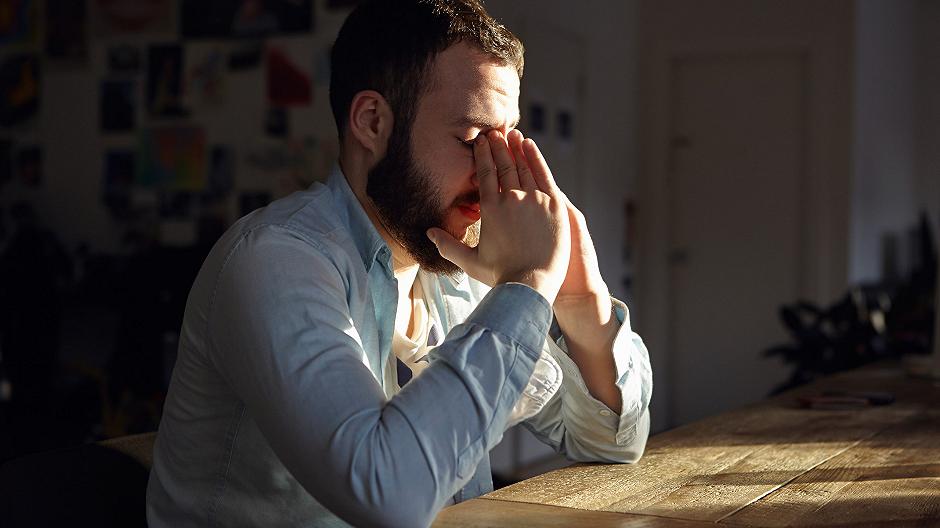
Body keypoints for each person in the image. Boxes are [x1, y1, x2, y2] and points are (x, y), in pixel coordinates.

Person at [146, 1, 652, 526]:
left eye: (507, 142)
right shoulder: (273, 261)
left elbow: (612, 442)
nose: (495, 174)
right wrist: (526, 287)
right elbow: (386, 495)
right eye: (475, 140)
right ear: (372, 122)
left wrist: (580, 304)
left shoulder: (459, 272)